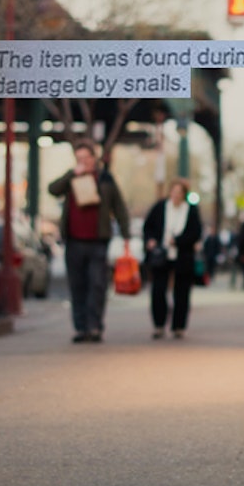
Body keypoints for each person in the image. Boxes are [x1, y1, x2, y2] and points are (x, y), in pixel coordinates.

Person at [48, 140, 131, 343]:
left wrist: (126, 235)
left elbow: (119, 207)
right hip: (74, 240)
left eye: (86, 158)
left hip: (98, 241)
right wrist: (71, 174)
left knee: (97, 284)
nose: (83, 162)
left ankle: (95, 327)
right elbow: (52, 189)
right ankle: (81, 328)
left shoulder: (105, 178)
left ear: (94, 158)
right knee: (77, 286)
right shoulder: (71, 178)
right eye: (79, 159)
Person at [142, 178, 202, 339]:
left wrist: (179, 240)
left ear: (184, 195)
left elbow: (196, 232)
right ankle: (159, 324)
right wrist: (151, 240)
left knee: (182, 292)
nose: (176, 195)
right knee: (158, 290)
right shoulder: (160, 207)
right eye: (173, 192)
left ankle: (178, 326)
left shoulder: (191, 210)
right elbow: (148, 227)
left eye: (179, 193)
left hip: (182, 255)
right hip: (161, 255)